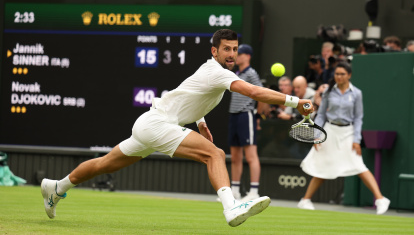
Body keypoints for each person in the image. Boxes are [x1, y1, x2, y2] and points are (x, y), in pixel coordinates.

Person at [41, 29, 314, 227]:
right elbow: (253, 91)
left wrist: (202, 123)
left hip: (149, 124)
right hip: (159, 124)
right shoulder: (217, 72)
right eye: (227, 49)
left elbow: (191, 97)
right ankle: (231, 208)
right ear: (214, 51)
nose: (232, 54)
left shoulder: (214, 73)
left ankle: (56, 187)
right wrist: (295, 101)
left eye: (235, 49)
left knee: (106, 164)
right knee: (215, 155)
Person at [297, 62, 390, 215]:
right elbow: (321, 114)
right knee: (322, 166)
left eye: (342, 74)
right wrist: (316, 134)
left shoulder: (356, 93)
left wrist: (356, 139)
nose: (339, 77)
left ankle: (380, 199)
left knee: (359, 166)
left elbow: (359, 118)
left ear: (349, 75)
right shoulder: (328, 92)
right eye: (337, 74)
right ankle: (305, 200)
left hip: (348, 132)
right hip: (329, 131)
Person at [227, 44, 265, 202]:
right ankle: (235, 191)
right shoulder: (237, 73)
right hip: (234, 115)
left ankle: (254, 192)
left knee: (251, 156)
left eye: (240, 53)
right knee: (235, 156)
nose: (237, 56)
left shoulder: (251, 73)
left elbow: (262, 94)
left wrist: (257, 116)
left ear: (248, 56)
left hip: (246, 115)